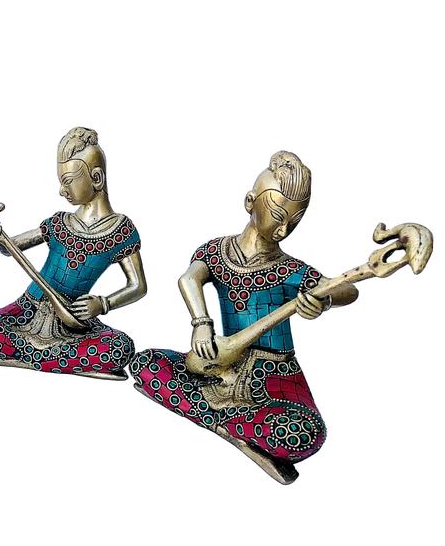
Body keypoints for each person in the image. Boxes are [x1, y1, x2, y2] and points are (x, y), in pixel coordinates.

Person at [129, 151, 359, 482]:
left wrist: (324, 301)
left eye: (294, 221)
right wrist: (201, 324)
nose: (283, 229)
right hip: (220, 366)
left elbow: (347, 289)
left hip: (276, 374)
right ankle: (238, 432)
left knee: (305, 434)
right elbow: (189, 278)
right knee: (145, 362)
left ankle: (218, 421)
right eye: (277, 215)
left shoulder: (289, 270)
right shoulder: (216, 251)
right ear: (250, 202)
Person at [0, 127, 147, 378]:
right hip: (24, 313)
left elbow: (138, 286)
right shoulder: (59, 223)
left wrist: (103, 304)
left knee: (120, 348)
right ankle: (59, 361)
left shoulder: (120, 231)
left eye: (68, 181)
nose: (61, 190)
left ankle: (14, 354)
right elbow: (8, 248)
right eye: (60, 182)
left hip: (73, 323)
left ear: (96, 178)